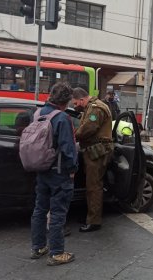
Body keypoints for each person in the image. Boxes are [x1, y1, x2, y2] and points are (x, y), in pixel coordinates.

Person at [30, 82, 77, 266]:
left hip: (41, 170)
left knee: (40, 209)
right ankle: (57, 253)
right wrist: (72, 169)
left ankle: (38, 247)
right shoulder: (62, 118)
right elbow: (68, 149)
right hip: (59, 172)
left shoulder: (37, 113)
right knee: (57, 213)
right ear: (65, 101)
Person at [73, 87, 113, 232]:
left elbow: (88, 128)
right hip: (92, 151)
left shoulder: (96, 108)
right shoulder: (91, 107)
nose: (75, 105)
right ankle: (90, 216)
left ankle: (94, 221)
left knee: (94, 187)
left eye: (76, 103)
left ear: (82, 99)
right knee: (90, 185)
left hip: (97, 152)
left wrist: (72, 135)